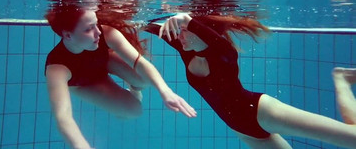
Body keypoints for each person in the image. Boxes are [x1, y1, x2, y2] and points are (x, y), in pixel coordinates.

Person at [144, 13, 356, 149]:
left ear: (200, 32)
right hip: (244, 132)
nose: (178, 36)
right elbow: (153, 27)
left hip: (264, 113)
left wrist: (187, 21)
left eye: (183, 31)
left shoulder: (224, 55)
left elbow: (216, 43)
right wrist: (133, 23)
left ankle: (341, 79)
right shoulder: (186, 48)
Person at [44, 5, 197, 149]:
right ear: (68, 35)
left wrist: (166, 92)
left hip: (104, 63)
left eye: (96, 24)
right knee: (134, 111)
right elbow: (63, 116)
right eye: (88, 29)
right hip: (85, 83)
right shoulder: (57, 68)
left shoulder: (106, 33)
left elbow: (141, 63)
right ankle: (123, 101)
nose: (97, 32)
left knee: (143, 79)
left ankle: (133, 87)